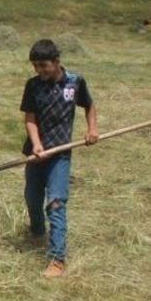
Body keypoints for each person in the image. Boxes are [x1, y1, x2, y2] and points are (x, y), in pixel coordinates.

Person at [20, 38, 99, 277]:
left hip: (60, 155)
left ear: (56, 62)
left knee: (55, 203)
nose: (39, 70)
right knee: (32, 199)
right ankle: (36, 233)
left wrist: (92, 129)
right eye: (35, 66)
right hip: (35, 154)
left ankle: (57, 260)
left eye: (43, 65)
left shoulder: (75, 82)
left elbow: (89, 105)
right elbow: (30, 118)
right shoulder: (33, 85)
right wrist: (36, 144)